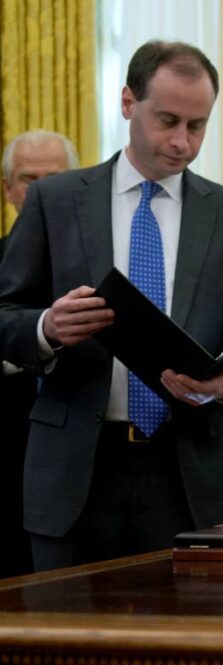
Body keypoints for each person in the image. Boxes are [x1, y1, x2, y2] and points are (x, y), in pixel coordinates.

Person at [0, 40, 223, 570]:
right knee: (66, 647)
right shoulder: (54, 201)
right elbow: (4, 316)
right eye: (168, 120)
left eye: (196, 126)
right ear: (128, 102)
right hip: (72, 475)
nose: (181, 142)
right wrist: (47, 327)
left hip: (184, 475)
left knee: (184, 648)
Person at [0, 129, 80, 578]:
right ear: (8, 188)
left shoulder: (98, 265)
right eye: (29, 179)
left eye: (54, 178)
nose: (42, 191)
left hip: (84, 469)